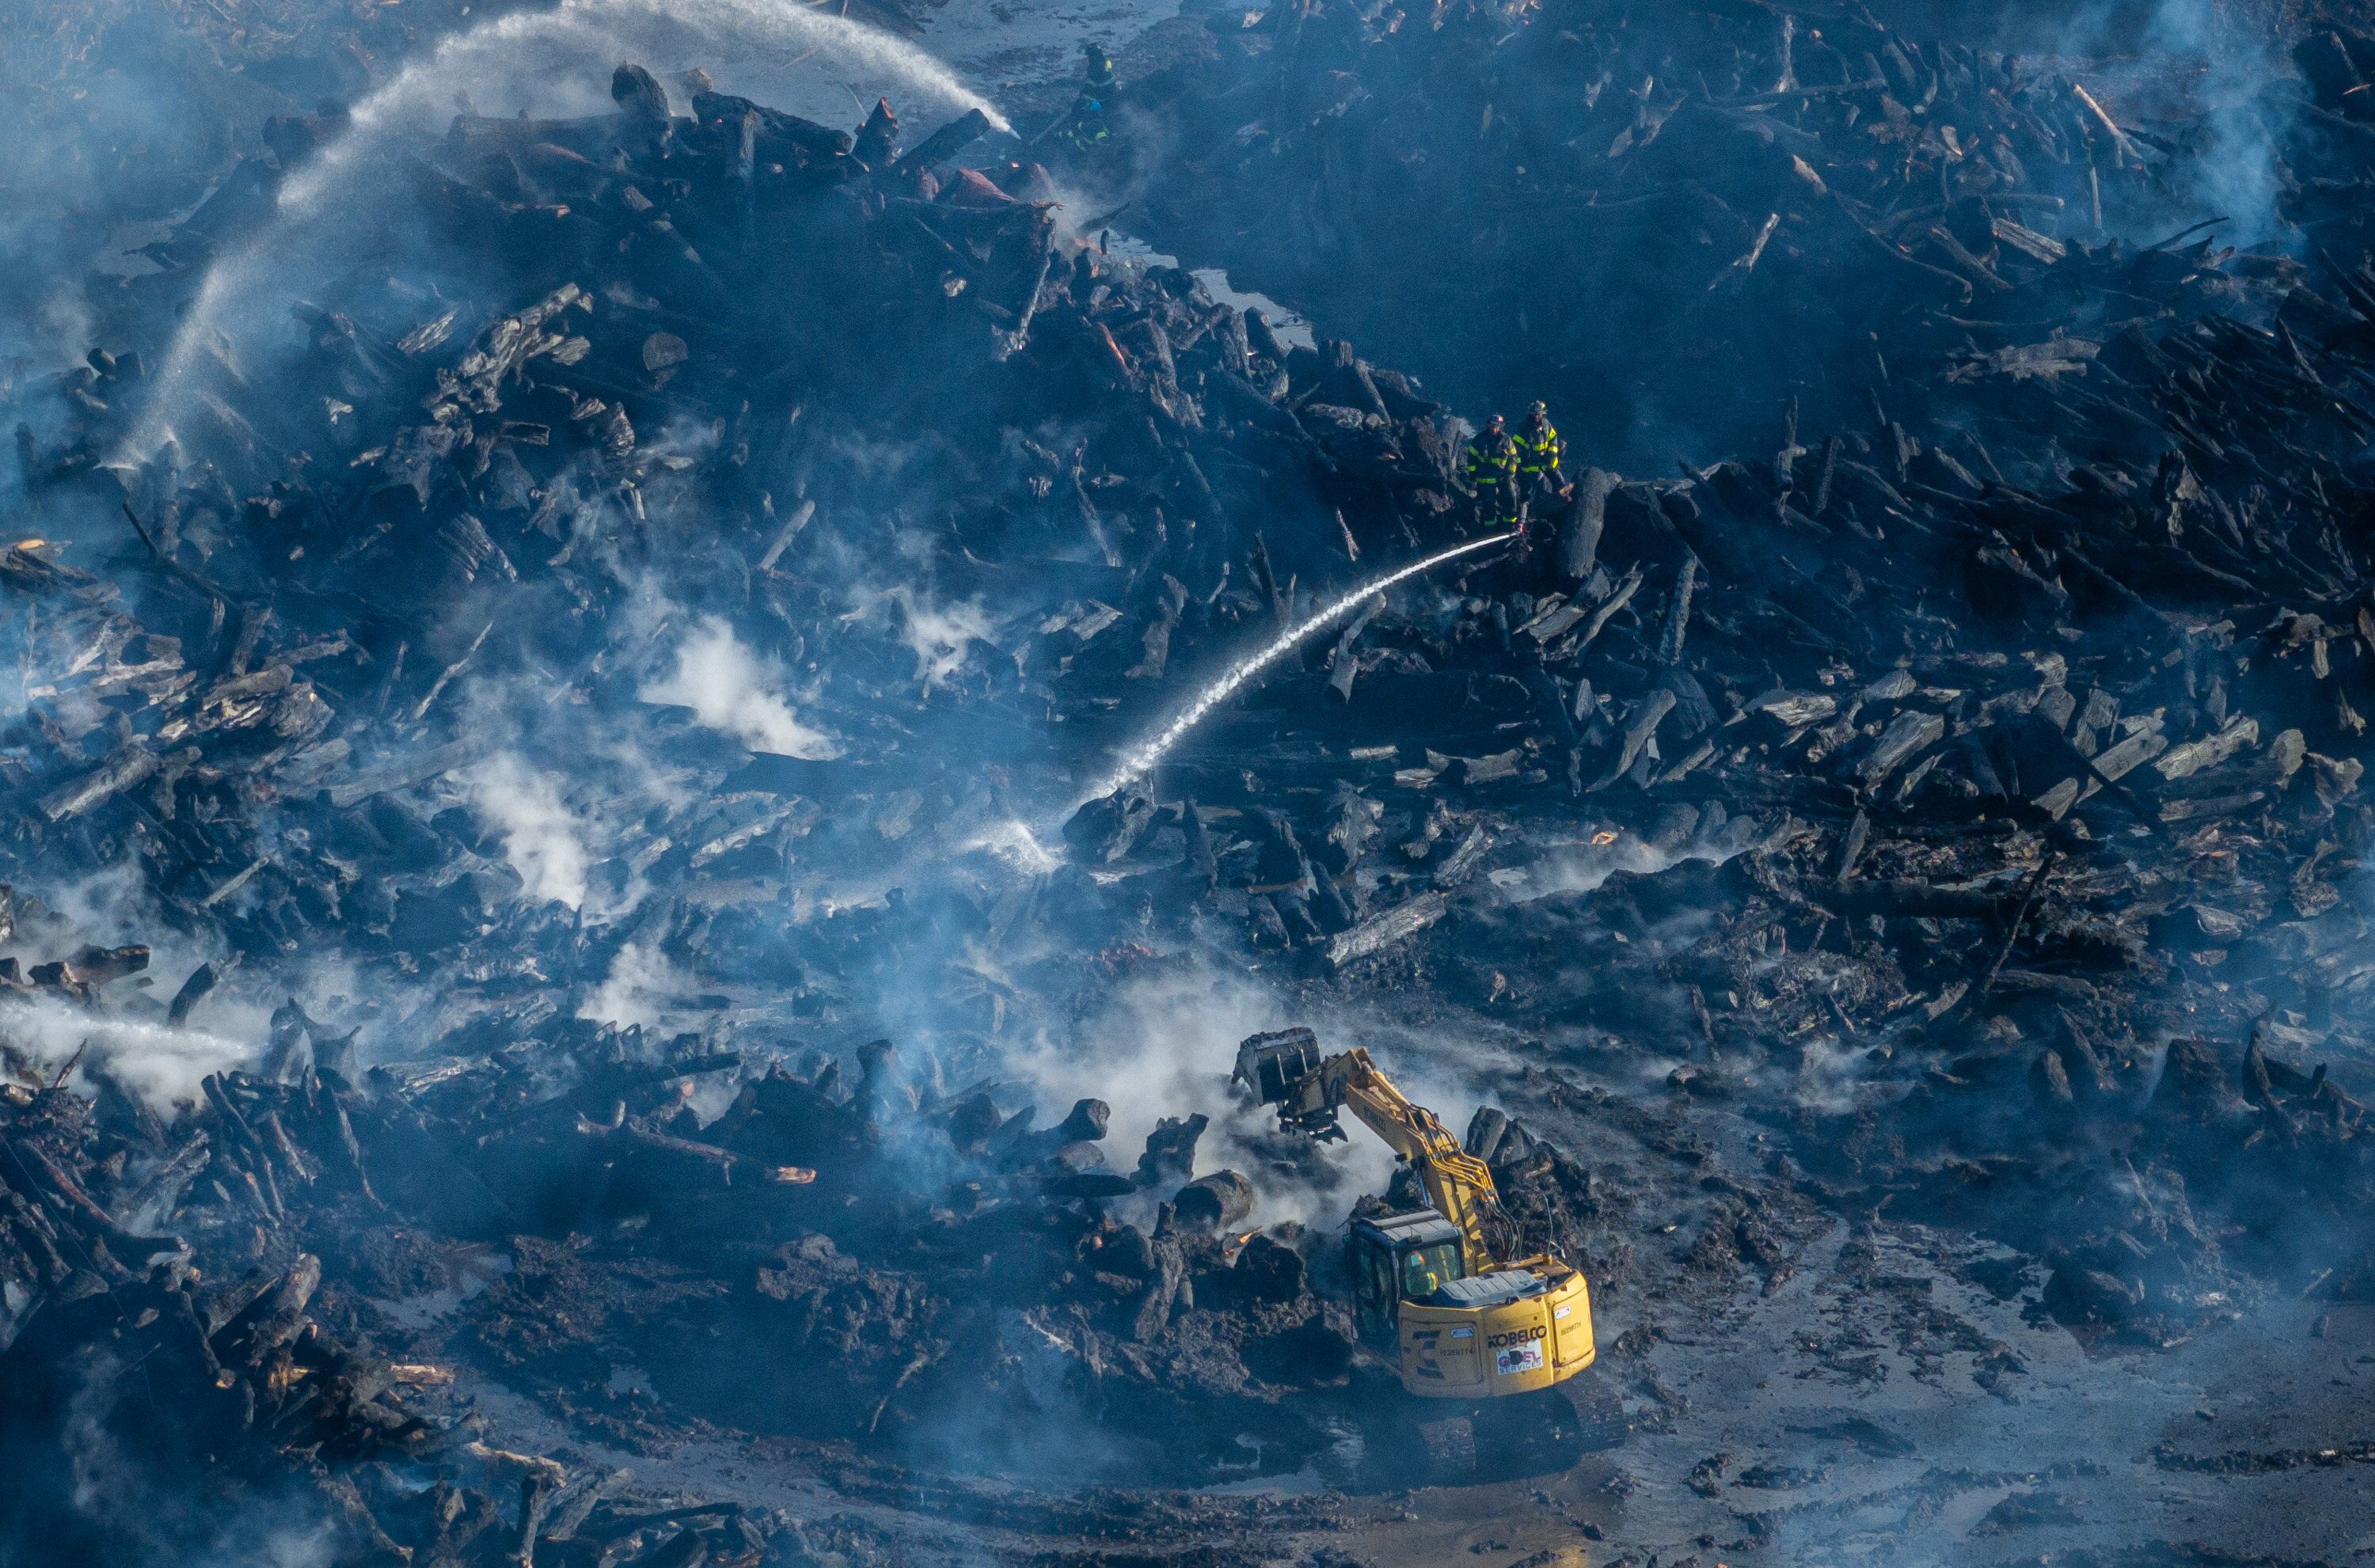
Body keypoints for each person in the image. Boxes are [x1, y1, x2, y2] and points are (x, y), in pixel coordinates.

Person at [1464, 413, 1522, 533]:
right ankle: (1490, 528)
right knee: (1488, 503)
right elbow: (1471, 458)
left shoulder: (1506, 440)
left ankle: (1509, 524)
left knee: (1511, 498)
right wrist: (1473, 475)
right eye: (1492, 426)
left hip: (1503, 476)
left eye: (1497, 426)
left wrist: (1510, 473)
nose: (1494, 429)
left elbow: (1513, 457)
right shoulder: (1479, 440)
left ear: (1500, 427)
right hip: (1486, 477)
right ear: (1488, 426)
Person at [1065, 43, 1119, 152]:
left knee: (1085, 115)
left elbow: (1092, 86)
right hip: (1109, 98)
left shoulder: (1095, 66)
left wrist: (1084, 97)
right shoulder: (1104, 62)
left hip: (1097, 101)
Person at [1516, 399, 1565, 505]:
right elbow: (1516, 447)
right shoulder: (1523, 428)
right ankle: (1526, 510)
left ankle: (1560, 502)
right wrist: (1522, 463)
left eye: (1538, 414)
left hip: (1547, 463)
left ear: (1543, 413)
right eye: (1534, 414)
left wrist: (1550, 456)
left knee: (1559, 482)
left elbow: (1553, 442)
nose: (1536, 416)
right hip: (1530, 465)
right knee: (1530, 491)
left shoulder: (1547, 425)